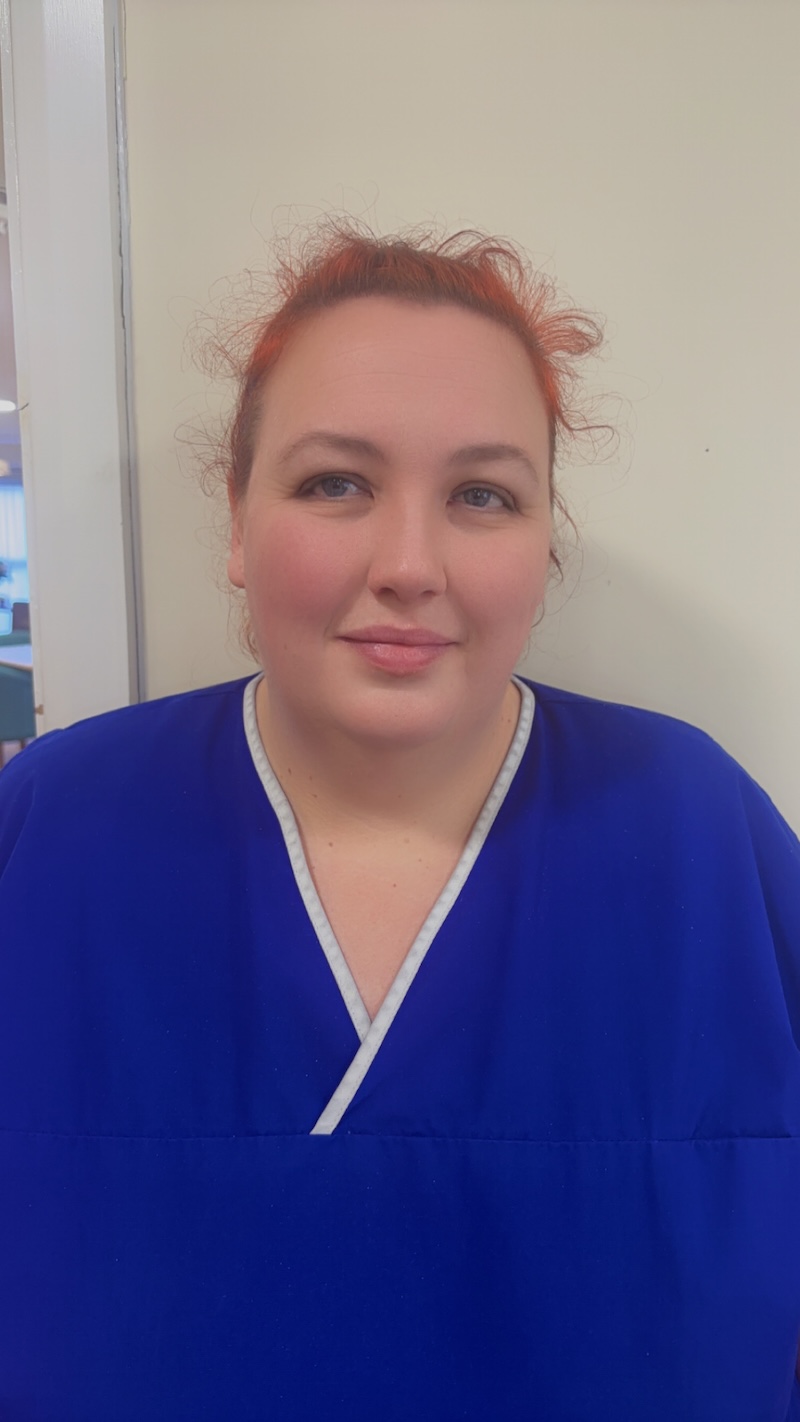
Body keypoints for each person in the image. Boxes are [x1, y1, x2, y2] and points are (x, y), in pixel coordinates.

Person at [0, 221, 798, 1421]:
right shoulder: (49, 828)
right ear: (232, 521)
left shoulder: (700, 838)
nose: (409, 562)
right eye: (336, 483)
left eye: (481, 494)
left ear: (541, 545)